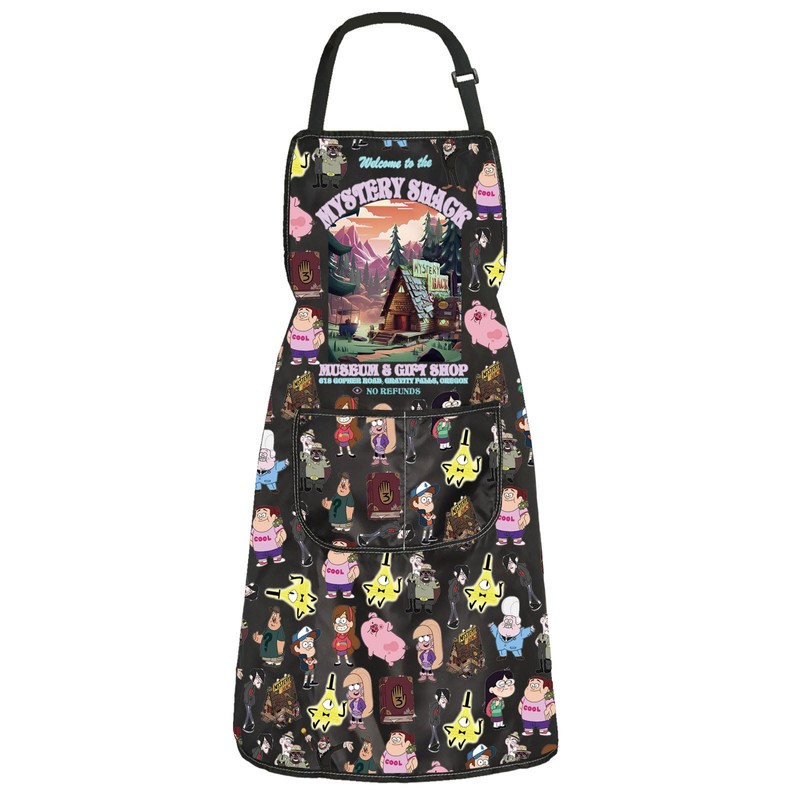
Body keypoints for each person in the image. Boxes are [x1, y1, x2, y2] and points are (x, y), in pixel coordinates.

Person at [428, 687, 450, 752]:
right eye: (442, 697)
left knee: (434, 733)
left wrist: (437, 721)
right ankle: (431, 746)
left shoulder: (437, 706)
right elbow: (431, 715)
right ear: (436, 697)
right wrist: (434, 722)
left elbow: (436, 715)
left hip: (434, 723)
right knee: (433, 734)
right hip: (433, 723)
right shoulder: (434, 706)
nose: (444, 700)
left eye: (445, 698)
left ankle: (437, 743)